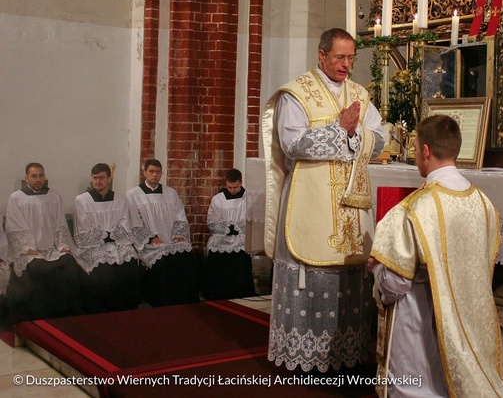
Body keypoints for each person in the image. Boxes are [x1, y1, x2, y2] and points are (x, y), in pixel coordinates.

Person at [263, 28, 386, 372]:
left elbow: (379, 139)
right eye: (339, 57)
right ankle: (305, 354)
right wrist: (340, 130)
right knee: (311, 265)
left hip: (350, 201)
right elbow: (293, 144)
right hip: (310, 197)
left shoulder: (359, 93)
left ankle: (345, 353)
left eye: (351, 58)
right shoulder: (297, 93)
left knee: (349, 268)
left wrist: (354, 132)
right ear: (321, 55)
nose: (346, 65)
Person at [368, 115, 503, 397]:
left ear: (424, 151)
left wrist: (377, 268)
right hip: (469, 327)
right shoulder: (484, 203)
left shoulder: (414, 208)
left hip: (420, 328)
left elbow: (394, 285)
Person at [4, 163, 83, 324]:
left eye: (41, 175)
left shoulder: (54, 196)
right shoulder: (16, 198)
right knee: (40, 268)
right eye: (34, 176)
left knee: (69, 263)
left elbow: (61, 221)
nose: (38, 179)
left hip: (52, 248)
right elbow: (13, 226)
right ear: (26, 178)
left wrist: (61, 244)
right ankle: (39, 315)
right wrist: (27, 247)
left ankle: (64, 312)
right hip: (30, 251)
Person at [126, 159, 199, 307]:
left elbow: (180, 215)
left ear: (161, 173)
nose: (154, 175)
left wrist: (178, 234)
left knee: (185, 253)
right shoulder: (133, 194)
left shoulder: (170, 193)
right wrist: (150, 238)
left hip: (171, 239)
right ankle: (163, 300)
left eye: (158, 172)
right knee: (164, 260)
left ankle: (186, 300)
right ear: (144, 172)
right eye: (151, 171)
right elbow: (134, 222)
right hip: (150, 243)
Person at [73, 163, 141, 313]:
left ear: (109, 179)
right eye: (95, 178)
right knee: (102, 269)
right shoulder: (82, 200)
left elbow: (125, 222)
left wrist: (111, 237)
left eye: (102, 178)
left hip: (117, 244)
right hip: (93, 246)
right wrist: (107, 236)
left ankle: (125, 308)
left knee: (129, 262)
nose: (98, 181)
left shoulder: (121, 199)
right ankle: (99, 310)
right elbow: (84, 227)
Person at [203, 168, 256, 300]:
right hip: (223, 235)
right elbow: (211, 221)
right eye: (229, 187)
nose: (232, 190)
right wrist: (229, 228)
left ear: (241, 183)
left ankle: (240, 292)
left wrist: (237, 228)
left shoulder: (249, 198)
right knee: (214, 246)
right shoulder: (218, 199)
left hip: (241, 236)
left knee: (241, 251)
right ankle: (217, 292)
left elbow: (254, 219)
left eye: (235, 187)